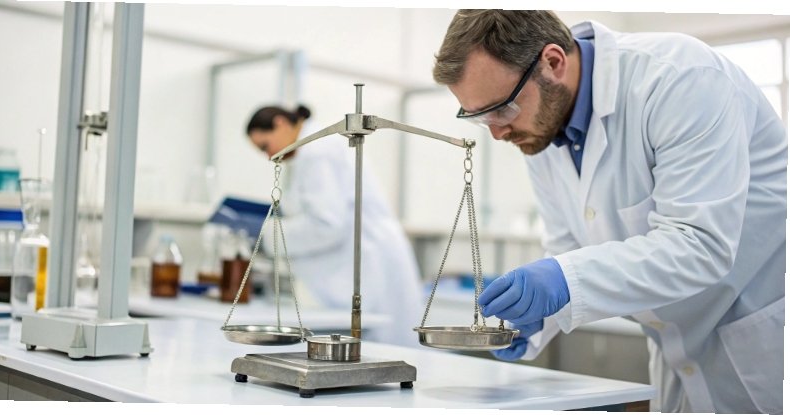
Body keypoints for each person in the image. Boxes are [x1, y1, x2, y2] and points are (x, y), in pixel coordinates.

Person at [432, 10, 785, 414]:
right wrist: (532, 320)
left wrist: (563, 279)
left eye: (502, 109)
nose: (497, 132)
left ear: (553, 63)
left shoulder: (680, 78)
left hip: (761, 337)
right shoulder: (541, 129)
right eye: (480, 117)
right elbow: (568, 247)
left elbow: (700, 244)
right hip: (676, 352)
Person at [245, 104, 425, 348]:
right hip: (359, 263)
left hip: (371, 263)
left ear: (280, 123)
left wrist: (267, 235)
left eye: (265, 146)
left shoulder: (317, 151)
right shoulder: (307, 153)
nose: (269, 156)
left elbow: (327, 225)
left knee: (385, 348)